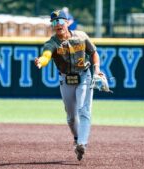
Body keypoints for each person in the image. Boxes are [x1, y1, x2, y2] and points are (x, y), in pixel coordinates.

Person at [34, 9, 102, 161]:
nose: (57, 24)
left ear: (67, 22)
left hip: (84, 75)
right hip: (66, 80)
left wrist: (97, 69)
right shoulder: (52, 43)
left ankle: (82, 144)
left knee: (84, 111)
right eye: (54, 22)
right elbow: (46, 56)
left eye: (60, 21)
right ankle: (77, 138)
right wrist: (41, 61)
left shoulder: (81, 36)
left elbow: (94, 52)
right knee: (71, 118)